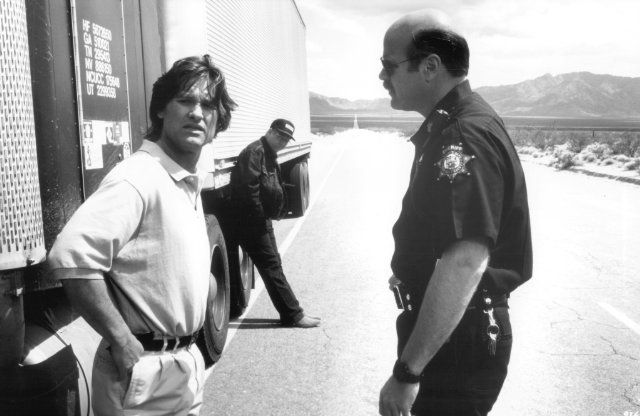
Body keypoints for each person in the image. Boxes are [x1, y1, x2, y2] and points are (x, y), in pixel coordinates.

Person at [47, 54, 236, 416]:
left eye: (209, 105)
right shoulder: (139, 177)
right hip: (145, 371)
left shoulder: (182, 180)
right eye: (185, 100)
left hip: (182, 364)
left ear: (218, 121)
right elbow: (71, 256)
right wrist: (121, 338)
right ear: (161, 109)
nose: (197, 113)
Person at [377, 9, 533, 416]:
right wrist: (414, 268)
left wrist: (407, 373)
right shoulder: (454, 124)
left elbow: (465, 261)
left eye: (389, 65)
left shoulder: (462, 135)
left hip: (459, 341)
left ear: (430, 67)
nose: (382, 76)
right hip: (453, 331)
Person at [229, 119, 320, 328]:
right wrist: (259, 219)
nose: (282, 141)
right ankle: (293, 315)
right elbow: (248, 192)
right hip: (251, 222)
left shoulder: (268, 153)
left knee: (274, 265)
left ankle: (292, 313)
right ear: (270, 131)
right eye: (279, 135)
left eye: (286, 139)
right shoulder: (255, 152)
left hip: (261, 220)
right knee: (271, 266)